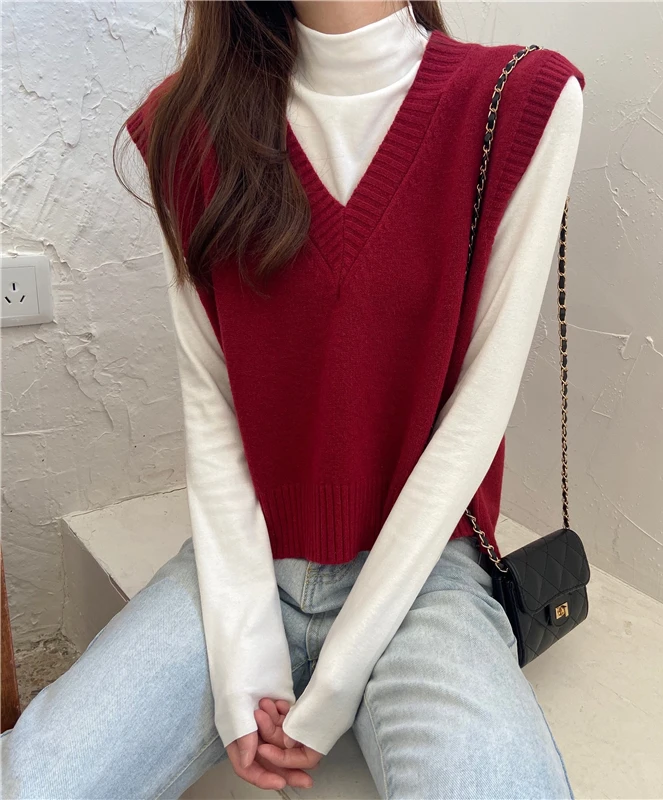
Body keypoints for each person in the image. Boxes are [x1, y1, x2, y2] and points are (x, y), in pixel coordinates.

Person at [0, 1, 585, 797]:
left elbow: (474, 419)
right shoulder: (187, 127)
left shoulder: (519, 100)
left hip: (426, 574)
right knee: (36, 781)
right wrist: (243, 655)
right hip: (247, 563)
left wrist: (336, 680)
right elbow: (211, 405)